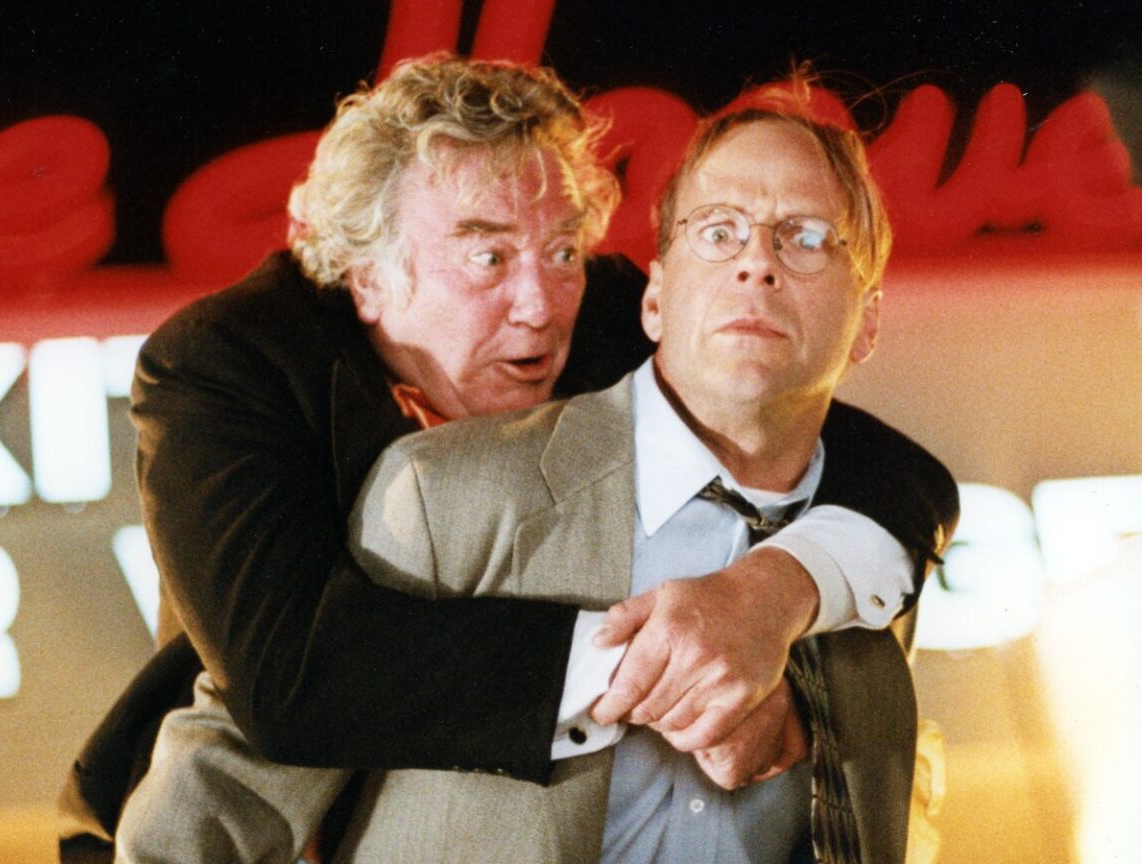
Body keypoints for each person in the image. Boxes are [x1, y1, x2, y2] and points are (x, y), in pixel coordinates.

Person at [59, 56, 957, 863]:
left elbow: (859, 452)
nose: (539, 305)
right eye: (487, 256)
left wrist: (772, 595)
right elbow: (288, 682)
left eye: (565, 249)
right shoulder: (231, 362)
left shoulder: (599, 306)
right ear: (368, 277)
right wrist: (682, 670)